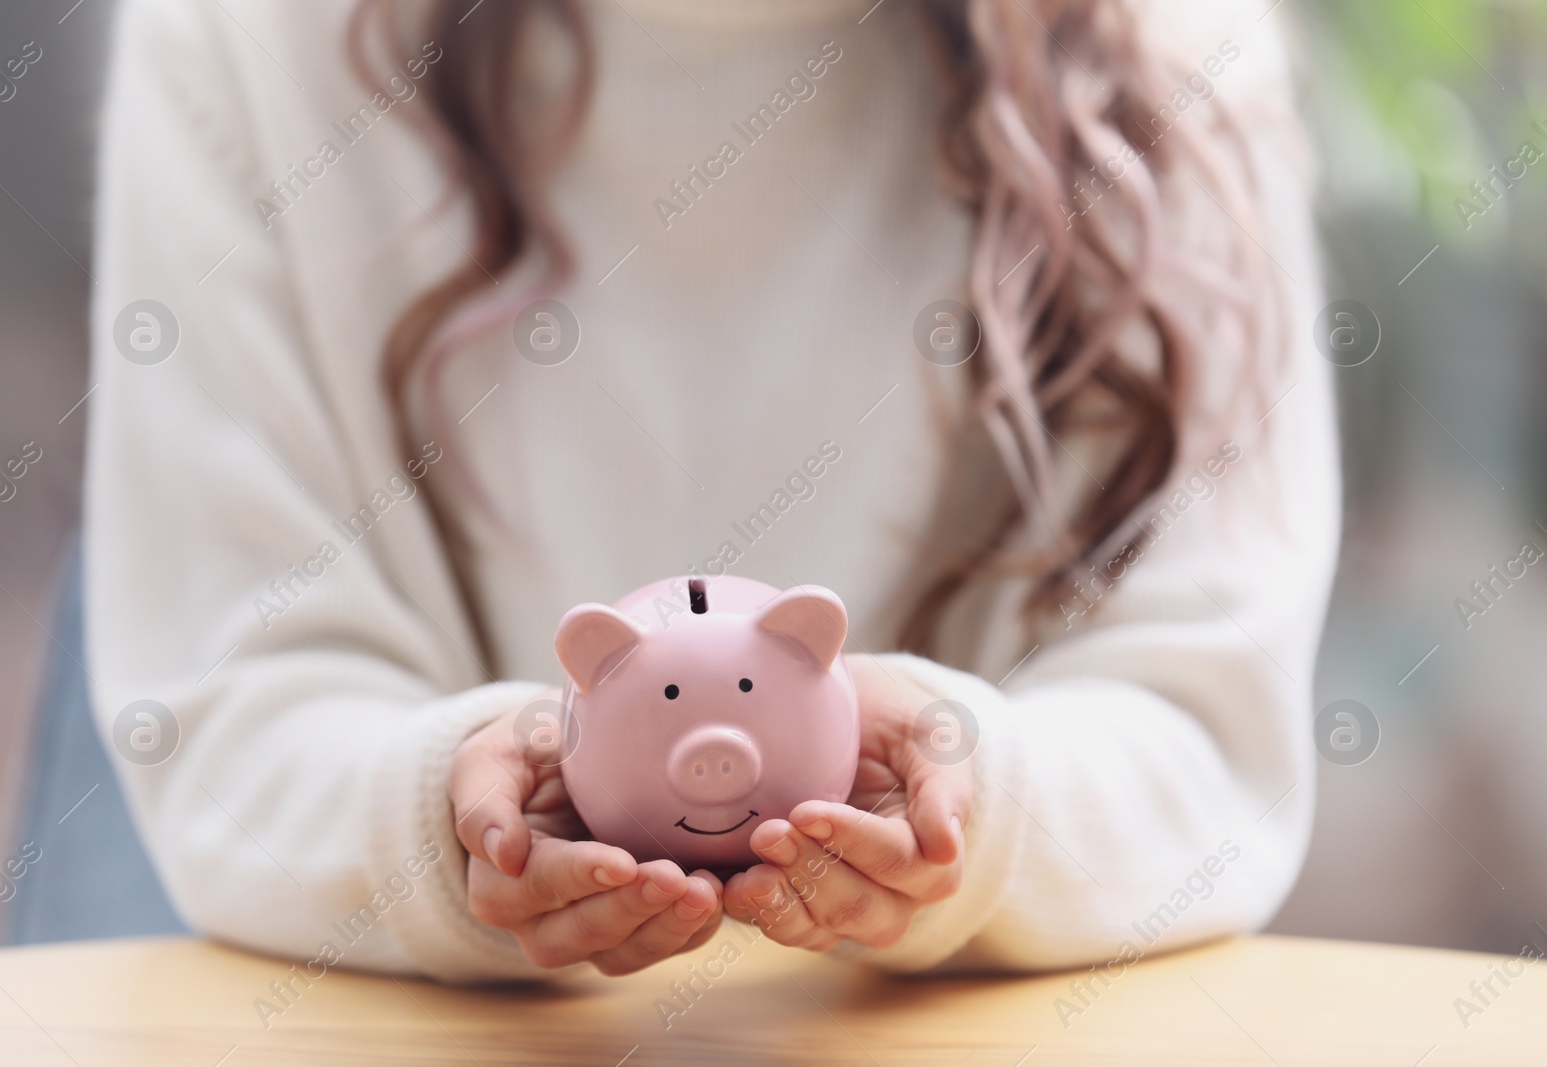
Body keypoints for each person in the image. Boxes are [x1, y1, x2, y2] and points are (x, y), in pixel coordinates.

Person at [87, 0, 1337, 981]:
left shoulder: (1176, 51)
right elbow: (231, 712)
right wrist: (444, 814)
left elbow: (1209, 739)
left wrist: (976, 799)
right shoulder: (236, 40)